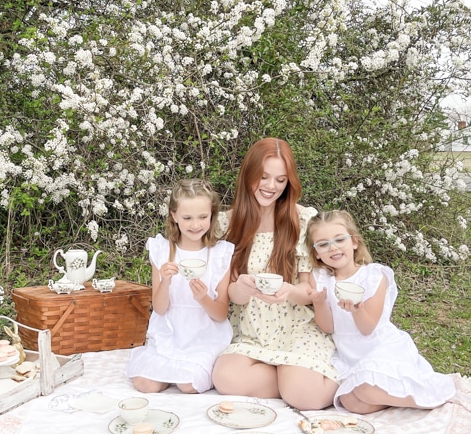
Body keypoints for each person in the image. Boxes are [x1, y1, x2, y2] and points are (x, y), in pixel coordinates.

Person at [211, 138, 339, 409]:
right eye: (264, 177)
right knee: (225, 379)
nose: (271, 187)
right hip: (250, 331)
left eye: (280, 180)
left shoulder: (302, 219)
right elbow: (231, 295)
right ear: (249, 174)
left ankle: (298, 380)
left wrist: (289, 292)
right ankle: (290, 378)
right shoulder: (226, 224)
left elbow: (309, 291)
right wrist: (242, 288)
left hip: (295, 326)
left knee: (307, 399)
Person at [306, 209, 455, 414]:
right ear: (316, 252)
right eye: (323, 244)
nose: (333, 248)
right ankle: (392, 396)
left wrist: (357, 310)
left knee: (366, 389)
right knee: (350, 401)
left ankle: (431, 395)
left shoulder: (374, 275)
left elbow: (368, 328)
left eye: (340, 240)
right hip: (350, 355)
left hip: (380, 348)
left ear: (354, 242)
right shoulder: (320, 277)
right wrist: (320, 303)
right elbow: (328, 326)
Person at [126, 179, 235, 393]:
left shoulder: (220, 254)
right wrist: (165, 282)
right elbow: (159, 308)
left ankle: (184, 370)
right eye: (187, 218)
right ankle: (167, 370)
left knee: (189, 385)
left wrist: (203, 298)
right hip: (170, 333)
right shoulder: (163, 250)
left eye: (203, 217)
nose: (196, 225)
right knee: (144, 384)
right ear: (174, 216)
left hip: (204, 336)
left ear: (212, 215)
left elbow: (221, 314)